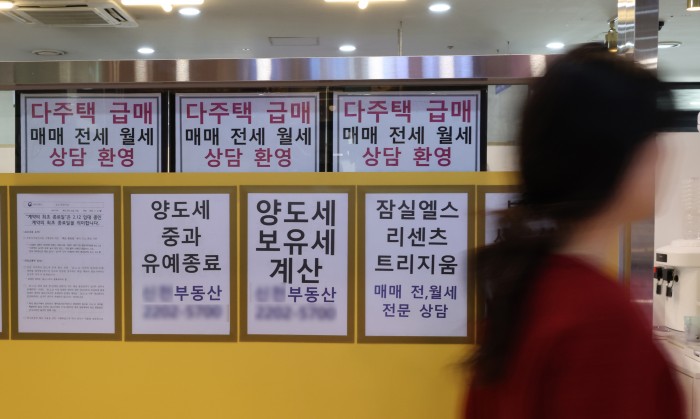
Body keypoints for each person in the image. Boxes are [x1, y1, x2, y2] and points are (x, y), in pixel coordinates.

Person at [465, 43, 684, 419]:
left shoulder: (523, 291)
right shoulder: (601, 321)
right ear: (614, 153)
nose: (663, 153)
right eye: (652, 136)